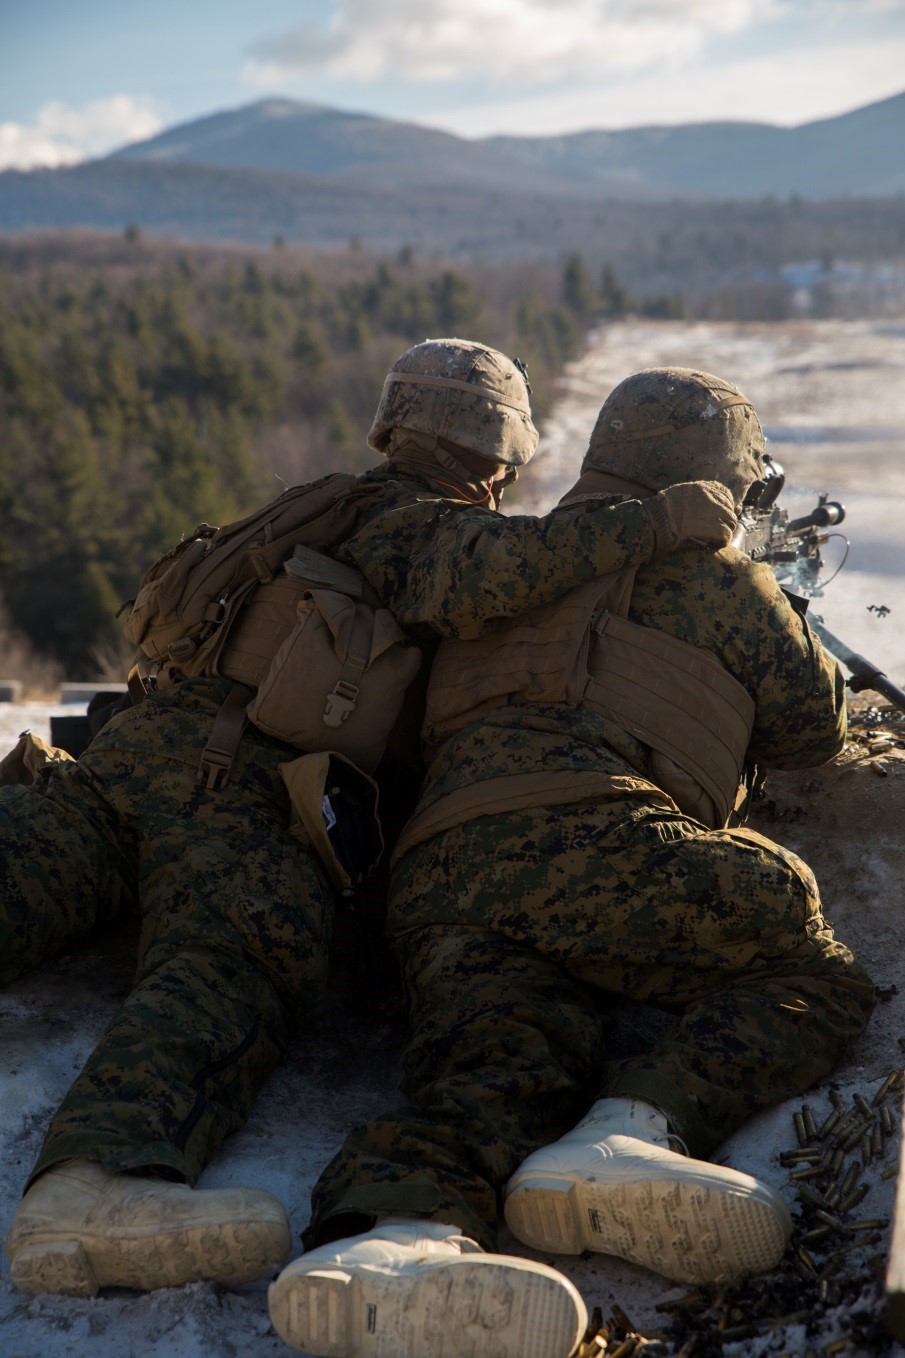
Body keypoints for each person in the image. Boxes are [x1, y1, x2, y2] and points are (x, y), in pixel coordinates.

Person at [2, 342, 736, 1308]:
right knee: (234, 963)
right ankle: (93, 1184)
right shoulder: (412, 526)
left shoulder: (313, 506)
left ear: (396, 423)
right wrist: (659, 522)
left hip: (121, 758)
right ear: (498, 456)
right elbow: (483, 574)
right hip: (238, 795)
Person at [272, 368, 877, 1358]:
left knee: (494, 1059)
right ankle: (628, 1128)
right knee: (807, 958)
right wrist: (776, 587)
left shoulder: (512, 554)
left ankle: (392, 1237)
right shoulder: (714, 573)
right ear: (718, 475)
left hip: (439, 875)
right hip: (601, 837)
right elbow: (813, 724)